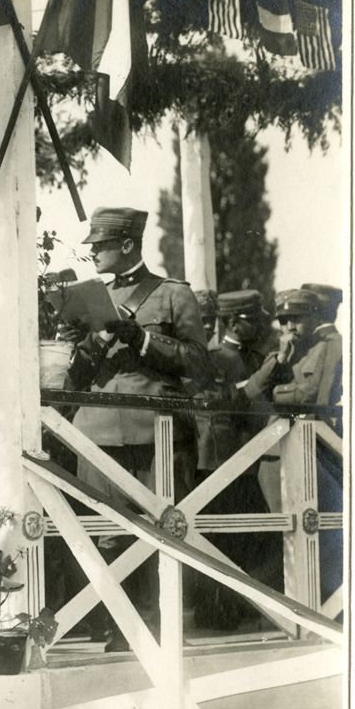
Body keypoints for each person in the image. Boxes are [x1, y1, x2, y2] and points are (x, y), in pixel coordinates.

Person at [58, 207, 210, 652]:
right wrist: (80, 345)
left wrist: (142, 339)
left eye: (100, 246)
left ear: (127, 245)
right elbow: (78, 377)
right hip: (100, 431)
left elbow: (199, 364)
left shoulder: (171, 294)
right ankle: (122, 624)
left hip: (155, 430)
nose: (94, 253)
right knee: (106, 531)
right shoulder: (90, 298)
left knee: (160, 527)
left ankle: (157, 622)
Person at [242, 288, 343, 600]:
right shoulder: (287, 350)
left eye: (295, 319)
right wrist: (279, 361)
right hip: (276, 452)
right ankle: (291, 604)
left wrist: (275, 396)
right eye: (283, 320)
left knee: (318, 532)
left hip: (315, 450)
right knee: (283, 532)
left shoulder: (329, 345)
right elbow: (251, 393)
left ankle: (324, 605)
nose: (288, 327)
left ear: (313, 317)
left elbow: (314, 398)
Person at [189, 290, 270, 629]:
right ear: (235, 321)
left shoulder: (247, 356)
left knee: (247, 535)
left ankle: (239, 604)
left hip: (243, 456)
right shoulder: (215, 357)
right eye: (254, 319)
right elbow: (229, 405)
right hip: (219, 458)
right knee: (222, 534)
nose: (263, 325)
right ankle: (217, 609)